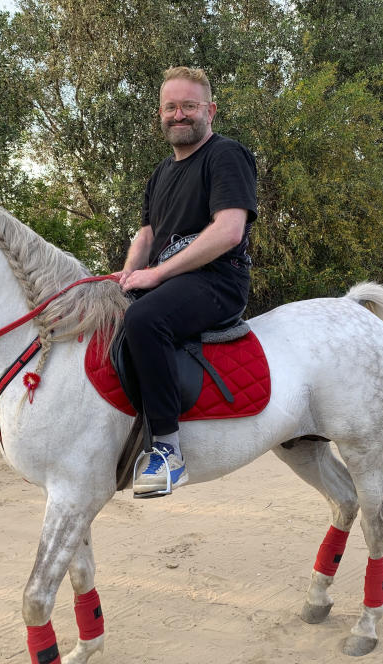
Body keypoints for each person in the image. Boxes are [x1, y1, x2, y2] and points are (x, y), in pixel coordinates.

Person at [117, 66, 258, 497]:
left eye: (189, 106)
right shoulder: (160, 174)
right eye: (170, 107)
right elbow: (146, 235)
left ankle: (167, 449)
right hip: (174, 283)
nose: (179, 115)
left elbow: (229, 230)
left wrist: (156, 274)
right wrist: (127, 274)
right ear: (161, 113)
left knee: (144, 320)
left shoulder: (226, 155)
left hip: (217, 280)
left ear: (210, 110)